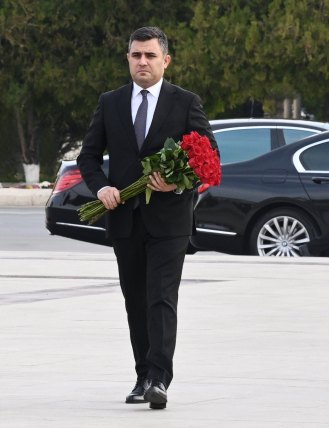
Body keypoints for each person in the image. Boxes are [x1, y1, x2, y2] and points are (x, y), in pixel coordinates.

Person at [77, 27, 218, 410]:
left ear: (165, 61)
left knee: (161, 298)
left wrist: (177, 182)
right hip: (124, 219)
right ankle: (142, 376)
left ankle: (159, 378)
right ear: (128, 58)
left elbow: (209, 158)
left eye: (150, 55)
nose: (143, 61)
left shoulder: (185, 102)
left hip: (169, 223)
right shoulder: (110, 102)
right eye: (136, 55)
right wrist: (101, 188)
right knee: (135, 300)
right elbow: (88, 156)